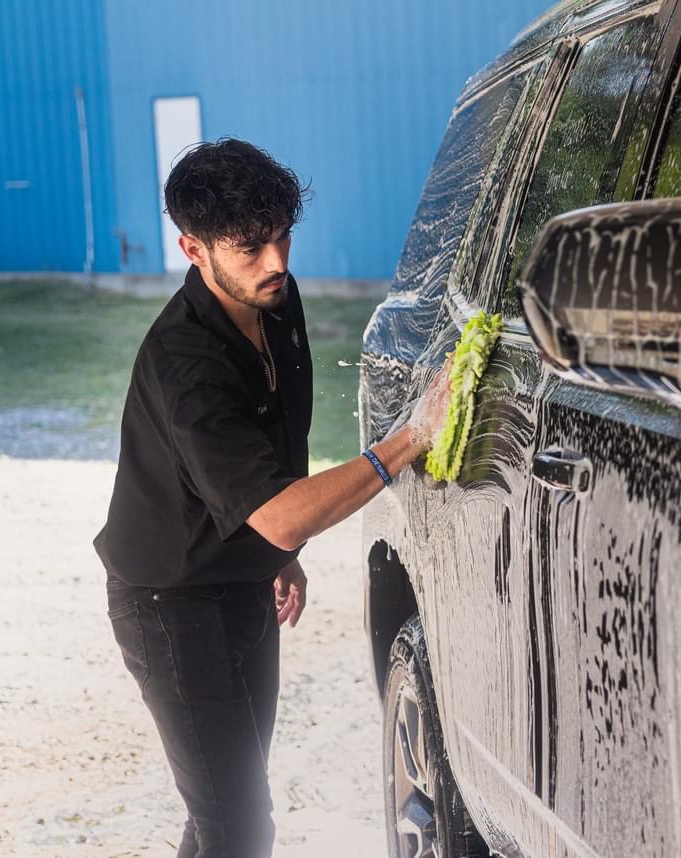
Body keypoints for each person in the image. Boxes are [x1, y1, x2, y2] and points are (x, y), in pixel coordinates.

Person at [94, 138, 450, 858]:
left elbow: (276, 463)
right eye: (251, 246)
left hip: (242, 580)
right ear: (193, 249)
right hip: (169, 604)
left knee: (226, 812)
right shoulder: (185, 364)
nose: (278, 262)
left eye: (283, 235)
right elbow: (280, 505)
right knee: (238, 825)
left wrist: (281, 550)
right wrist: (411, 436)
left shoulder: (276, 303)